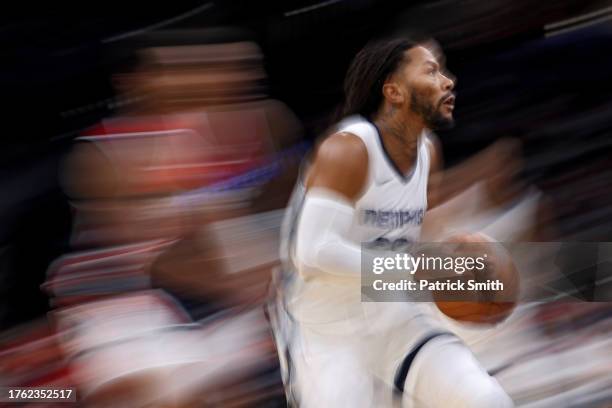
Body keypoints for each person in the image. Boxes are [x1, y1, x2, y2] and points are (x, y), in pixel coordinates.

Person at [271, 37, 515, 407]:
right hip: (326, 331)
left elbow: (406, 238)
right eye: (432, 71)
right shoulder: (348, 149)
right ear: (394, 91)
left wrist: (455, 255)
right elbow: (313, 252)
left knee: (486, 401)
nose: (448, 81)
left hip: (394, 316)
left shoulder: (428, 151)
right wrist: (416, 268)